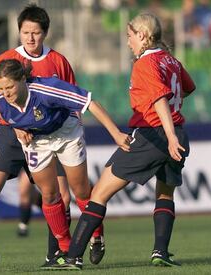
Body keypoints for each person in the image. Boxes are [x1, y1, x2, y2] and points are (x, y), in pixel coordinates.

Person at [0, 4, 105, 268]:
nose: (30, 38)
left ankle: (60, 253)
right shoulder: (6, 60)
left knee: (63, 194)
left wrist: (75, 131)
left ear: (44, 33)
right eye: (25, 32)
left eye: (35, 32)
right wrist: (12, 122)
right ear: (19, 32)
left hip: (49, 134)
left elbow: (72, 101)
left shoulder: (58, 61)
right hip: (9, 130)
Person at [50, 13, 196, 270]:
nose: (128, 42)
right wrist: (174, 133)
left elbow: (159, 100)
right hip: (178, 131)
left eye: (130, 36)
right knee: (164, 193)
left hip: (154, 133)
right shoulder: (170, 59)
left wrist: (169, 135)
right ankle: (160, 252)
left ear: (142, 35)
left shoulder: (145, 64)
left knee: (99, 193)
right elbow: (187, 87)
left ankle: (73, 257)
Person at [0, 58, 131, 268]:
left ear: (22, 80)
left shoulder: (47, 89)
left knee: (81, 191)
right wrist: (13, 123)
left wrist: (116, 133)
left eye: (10, 87)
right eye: (1, 88)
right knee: (49, 194)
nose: (6, 93)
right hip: (36, 140)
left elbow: (90, 103)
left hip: (65, 133)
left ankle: (97, 234)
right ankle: (65, 249)